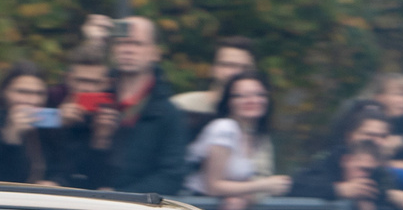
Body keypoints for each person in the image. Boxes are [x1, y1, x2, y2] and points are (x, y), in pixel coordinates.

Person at [101, 17, 189, 194]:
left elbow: (171, 176)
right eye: (120, 43)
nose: (127, 50)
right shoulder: (98, 99)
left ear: (155, 53)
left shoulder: (169, 114)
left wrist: (121, 197)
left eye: (137, 44)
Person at [185, 72, 288, 210]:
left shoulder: (255, 136)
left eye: (259, 94)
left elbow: (238, 183)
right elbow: (213, 186)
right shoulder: (225, 128)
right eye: (241, 96)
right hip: (191, 208)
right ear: (229, 102)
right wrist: (265, 185)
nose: (252, 100)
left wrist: (244, 198)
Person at [49, 42, 118, 189]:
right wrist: (57, 122)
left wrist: (101, 139)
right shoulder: (52, 100)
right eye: (81, 80)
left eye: (95, 82)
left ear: (107, 83)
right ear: (69, 78)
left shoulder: (113, 111)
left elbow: (106, 178)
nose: (87, 88)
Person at [169, 36, 256, 136]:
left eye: (244, 67)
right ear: (213, 69)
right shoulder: (181, 106)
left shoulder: (254, 115)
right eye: (229, 65)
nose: (236, 72)